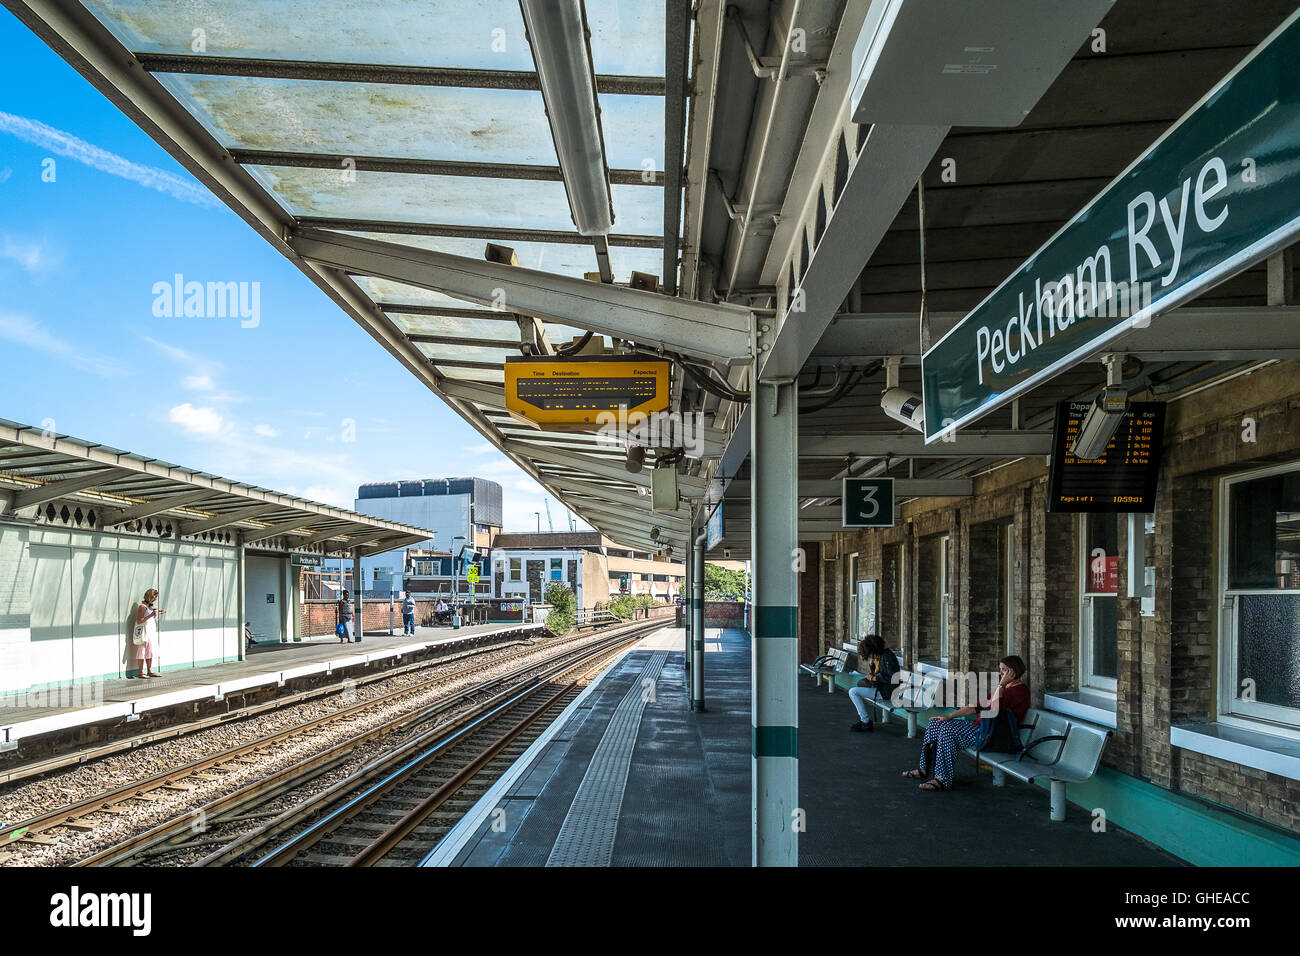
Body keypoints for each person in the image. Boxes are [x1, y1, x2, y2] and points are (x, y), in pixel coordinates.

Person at [903, 655, 1029, 791]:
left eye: (1004, 670)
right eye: (1000, 669)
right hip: (980, 729)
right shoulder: (1004, 689)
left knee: (947, 730)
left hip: (994, 735)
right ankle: (924, 768)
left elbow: (994, 708)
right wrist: (948, 716)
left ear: (1013, 672)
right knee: (936, 723)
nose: (1000, 673)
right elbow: (974, 706)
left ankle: (942, 779)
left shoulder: (1020, 691)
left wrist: (1001, 685)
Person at [847, 634, 900, 733]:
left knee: (853, 692)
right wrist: (872, 668)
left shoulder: (887, 657)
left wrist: (875, 677)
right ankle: (865, 721)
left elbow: (893, 677)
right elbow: (879, 673)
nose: (869, 656)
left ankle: (865, 721)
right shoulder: (879, 657)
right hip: (881, 689)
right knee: (855, 691)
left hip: (888, 691)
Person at [133, 588, 165, 678]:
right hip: (144, 632)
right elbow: (139, 620)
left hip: (150, 633)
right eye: (155, 596)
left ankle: (150, 671)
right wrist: (151, 614)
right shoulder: (142, 607)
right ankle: (141, 672)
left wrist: (157, 613)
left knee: (149, 651)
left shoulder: (149, 607)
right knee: (142, 651)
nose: (156, 598)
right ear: (150, 596)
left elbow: (149, 617)